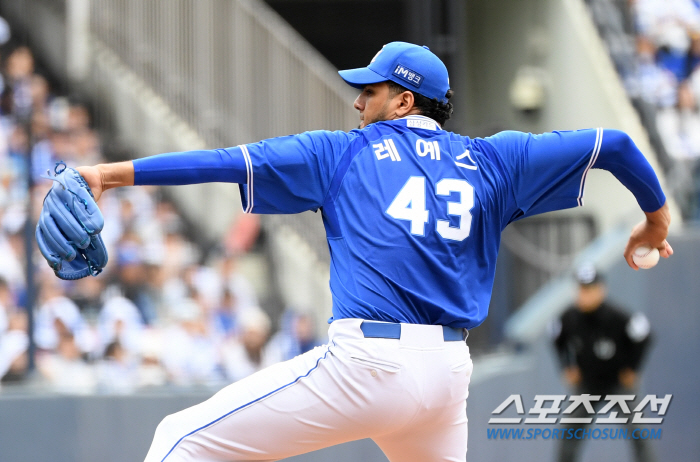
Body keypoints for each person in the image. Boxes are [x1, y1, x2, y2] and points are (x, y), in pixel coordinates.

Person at [40, 42, 673, 461]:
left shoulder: (342, 151)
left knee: (177, 440)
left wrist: (108, 175)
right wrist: (655, 220)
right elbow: (614, 144)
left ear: (403, 100)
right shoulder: (494, 160)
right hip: (449, 376)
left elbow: (217, 163)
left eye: (369, 91)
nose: (357, 100)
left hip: (368, 365)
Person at [552, 264, 655, 462]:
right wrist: (566, 366)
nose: (586, 294)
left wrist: (633, 369)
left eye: (590, 289)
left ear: (601, 289)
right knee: (569, 432)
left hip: (617, 383)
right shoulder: (569, 317)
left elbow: (645, 335)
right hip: (588, 385)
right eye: (582, 288)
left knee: (638, 432)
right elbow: (556, 337)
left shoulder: (617, 316)